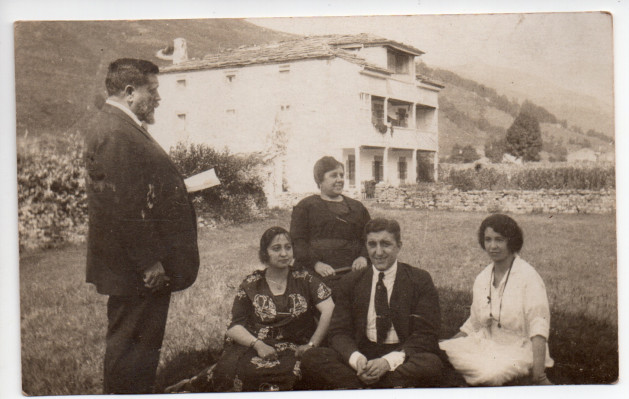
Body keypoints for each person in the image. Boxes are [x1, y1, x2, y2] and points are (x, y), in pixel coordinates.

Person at [83, 58, 200, 394]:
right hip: (137, 271)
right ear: (130, 91)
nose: (159, 99)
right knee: (130, 353)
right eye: (154, 90)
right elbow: (120, 208)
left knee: (139, 352)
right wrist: (149, 263)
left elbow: (132, 193)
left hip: (135, 268)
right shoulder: (117, 132)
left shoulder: (119, 127)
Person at [166, 227, 334, 392]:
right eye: (276, 249)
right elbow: (234, 327)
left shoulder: (304, 279)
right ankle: (191, 386)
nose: (284, 254)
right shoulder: (252, 283)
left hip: (295, 346)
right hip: (256, 346)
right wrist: (259, 345)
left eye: (288, 247)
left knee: (295, 373)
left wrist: (312, 344)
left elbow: (329, 308)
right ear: (264, 253)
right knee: (242, 372)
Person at [301, 218, 444, 389]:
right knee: (312, 358)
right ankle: (378, 385)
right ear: (366, 246)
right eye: (372, 244)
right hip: (362, 353)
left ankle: (360, 386)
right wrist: (356, 360)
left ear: (399, 246)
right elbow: (339, 332)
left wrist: (387, 362)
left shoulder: (419, 280)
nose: (378, 252)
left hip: (400, 355)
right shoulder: (351, 281)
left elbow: (427, 334)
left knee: (432, 364)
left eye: (386, 244)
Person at [439, 214, 553, 386]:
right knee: (439, 350)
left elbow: (539, 326)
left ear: (511, 242)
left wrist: (540, 375)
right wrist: (449, 343)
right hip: (487, 343)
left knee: (490, 373)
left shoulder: (528, 277)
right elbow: (474, 323)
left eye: (499, 240)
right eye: (488, 240)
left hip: (519, 349)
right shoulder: (482, 277)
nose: (492, 246)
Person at [290, 156, 371, 291]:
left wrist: (363, 257)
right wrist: (316, 264)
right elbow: (297, 241)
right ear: (320, 179)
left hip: (355, 272)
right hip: (318, 274)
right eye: (334, 175)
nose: (340, 179)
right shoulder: (306, 207)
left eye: (341, 175)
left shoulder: (357, 207)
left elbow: (370, 236)